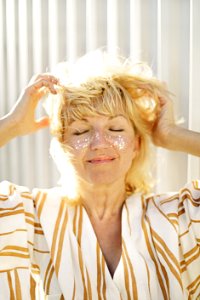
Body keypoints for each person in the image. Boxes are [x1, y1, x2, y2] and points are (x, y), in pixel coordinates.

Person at [0, 51, 200, 300]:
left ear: (136, 144)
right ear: (62, 144)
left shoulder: (179, 218)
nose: (99, 142)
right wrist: (12, 124)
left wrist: (172, 135)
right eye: (81, 131)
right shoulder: (25, 216)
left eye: (115, 128)